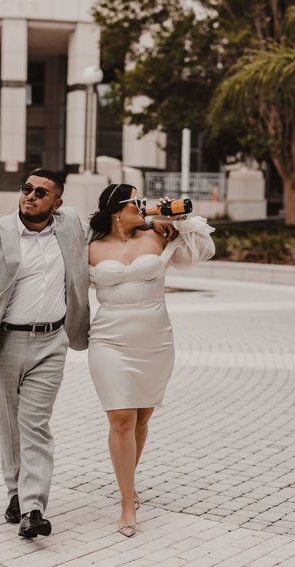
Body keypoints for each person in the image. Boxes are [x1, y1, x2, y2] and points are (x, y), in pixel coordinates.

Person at [0, 169, 90, 539]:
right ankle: (14, 492)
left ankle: (33, 507)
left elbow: (109, 228)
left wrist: (159, 226)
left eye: (42, 192)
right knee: (10, 424)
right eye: (27, 189)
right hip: (4, 344)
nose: (31, 196)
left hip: (52, 342)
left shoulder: (70, 226)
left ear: (57, 203)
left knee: (35, 424)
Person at [88, 183, 215, 537]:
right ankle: (127, 503)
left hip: (155, 340)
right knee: (122, 418)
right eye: (137, 202)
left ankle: (129, 482)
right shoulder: (89, 246)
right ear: (117, 210)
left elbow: (203, 251)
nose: (143, 207)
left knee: (142, 418)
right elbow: (67, 287)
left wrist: (181, 220)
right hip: (109, 340)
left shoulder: (160, 235)